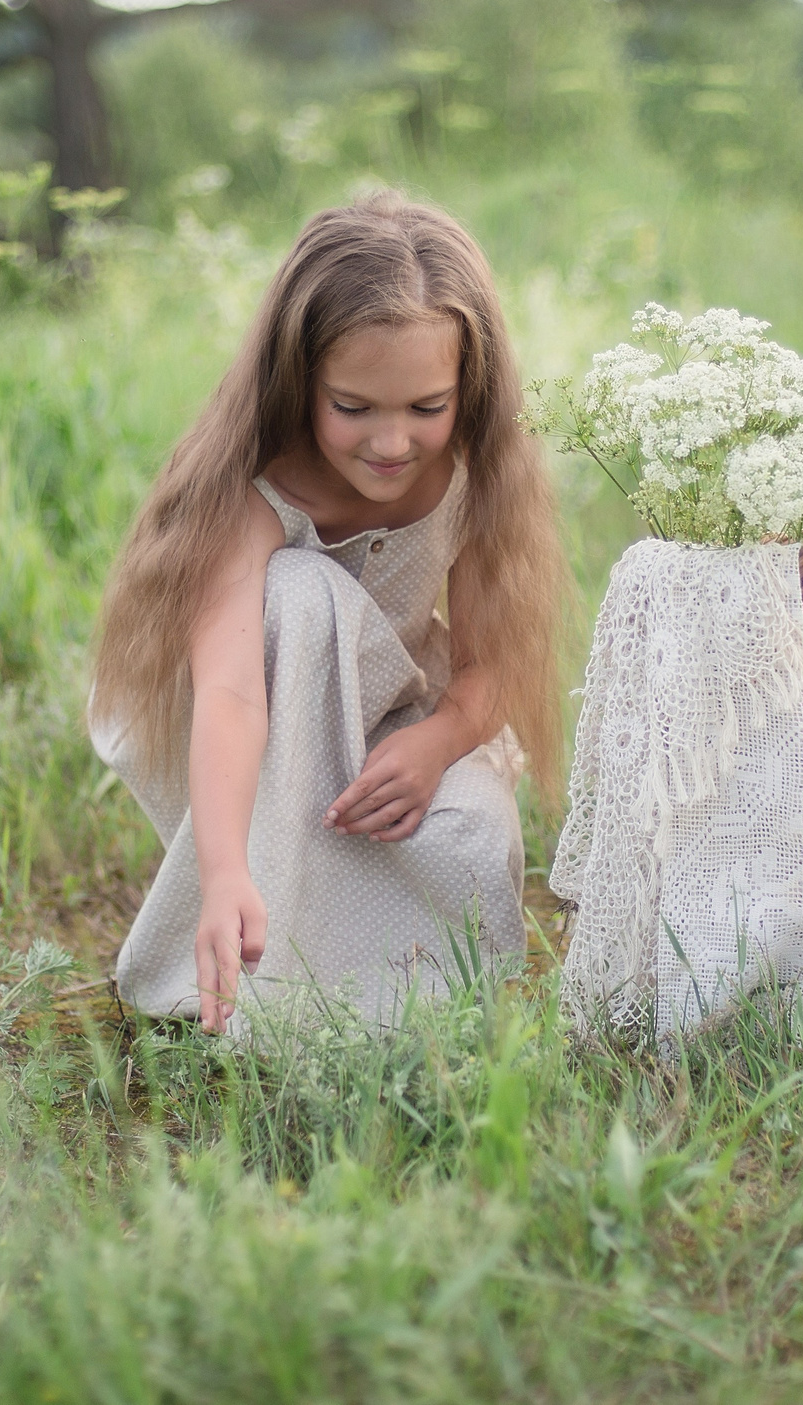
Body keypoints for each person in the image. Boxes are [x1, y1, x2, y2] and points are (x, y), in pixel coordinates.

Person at [89, 194, 568, 1032]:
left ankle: (385, 995)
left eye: (426, 407)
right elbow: (232, 693)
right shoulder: (253, 487)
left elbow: (496, 663)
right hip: (243, 731)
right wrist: (226, 867)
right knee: (304, 593)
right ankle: (254, 967)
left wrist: (436, 743)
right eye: (354, 407)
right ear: (300, 378)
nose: (391, 443)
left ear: (468, 386)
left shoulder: (475, 471)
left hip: (394, 720)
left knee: (471, 839)